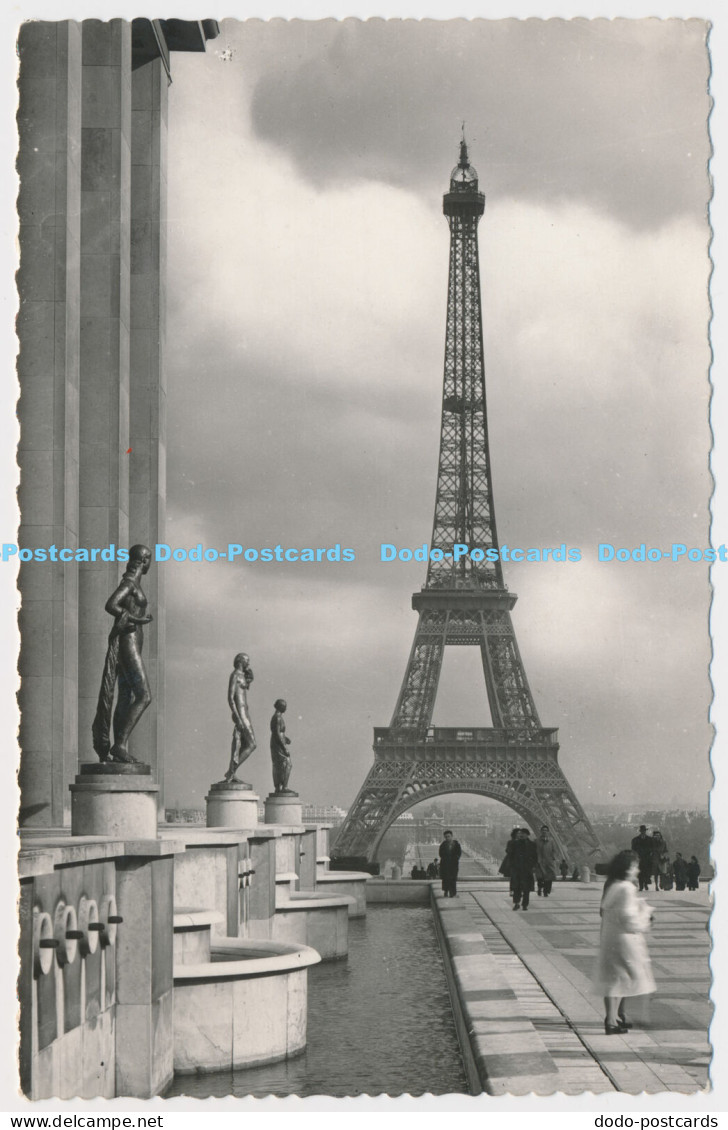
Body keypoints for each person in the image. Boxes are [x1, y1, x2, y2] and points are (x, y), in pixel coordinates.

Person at [92, 544, 153, 764]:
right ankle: (119, 745)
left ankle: (120, 748)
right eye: (149, 560)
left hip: (133, 642)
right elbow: (111, 605)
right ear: (144, 560)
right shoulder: (129, 583)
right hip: (128, 642)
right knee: (144, 695)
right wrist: (137, 620)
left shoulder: (134, 583)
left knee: (126, 696)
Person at [593, 849, 656, 1034]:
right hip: (624, 941)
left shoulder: (614, 885)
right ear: (628, 868)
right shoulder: (627, 888)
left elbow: (605, 910)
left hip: (611, 938)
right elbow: (629, 919)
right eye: (635, 866)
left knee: (616, 980)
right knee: (622, 980)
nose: (638, 870)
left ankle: (613, 1018)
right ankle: (612, 1020)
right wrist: (646, 916)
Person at [224, 653, 257, 784]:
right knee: (252, 744)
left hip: (245, 713)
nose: (248, 664)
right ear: (240, 661)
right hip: (241, 714)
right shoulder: (235, 675)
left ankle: (231, 772)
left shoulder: (242, 676)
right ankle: (230, 772)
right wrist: (237, 716)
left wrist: (249, 680)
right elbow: (230, 697)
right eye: (246, 661)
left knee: (244, 744)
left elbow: (243, 690)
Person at [510, 827, 537, 910]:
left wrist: (533, 866)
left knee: (526, 888)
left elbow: (535, 857)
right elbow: (510, 855)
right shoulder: (515, 843)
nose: (521, 835)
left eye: (523, 833)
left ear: (527, 835)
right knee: (517, 887)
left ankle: (525, 904)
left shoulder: (532, 844)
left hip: (527, 869)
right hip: (517, 869)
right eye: (520, 833)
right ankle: (517, 903)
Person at [270, 698, 293, 793]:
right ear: (281, 707)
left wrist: (285, 738)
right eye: (285, 706)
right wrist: (284, 748)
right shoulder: (278, 717)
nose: (286, 708)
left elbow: (279, 733)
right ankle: (284, 787)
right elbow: (276, 733)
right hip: (278, 744)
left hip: (277, 742)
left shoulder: (276, 717)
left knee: (279, 765)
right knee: (287, 763)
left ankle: (278, 787)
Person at [535, 825, 558, 897]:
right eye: (543, 830)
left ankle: (545, 891)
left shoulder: (551, 841)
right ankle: (540, 887)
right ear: (541, 831)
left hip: (549, 862)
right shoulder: (536, 841)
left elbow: (554, 850)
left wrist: (553, 858)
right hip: (539, 861)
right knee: (540, 877)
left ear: (548, 832)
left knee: (548, 878)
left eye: (546, 830)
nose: (544, 831)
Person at [630, 825, 654, 891]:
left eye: (644, 831)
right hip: (639, 858)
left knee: (646, 872)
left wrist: (650, 854)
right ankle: (641, 886)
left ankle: (645, 883)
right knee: (640, 872)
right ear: (640, 831)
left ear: (645, 831)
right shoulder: (635, 840)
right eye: (642, 831)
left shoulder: (650, 839)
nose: (643, 832)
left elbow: (652, 848)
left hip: (647, 858)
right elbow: (633, 849)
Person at [439, 830, 462, 897]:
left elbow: (459, 853)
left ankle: (452, 893)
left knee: (453, 878)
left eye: (448, 836)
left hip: (453, 865)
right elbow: (440, 854)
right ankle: (446, 891)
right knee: (445, 878)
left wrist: (455, 859)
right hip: (445, 864)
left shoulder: (457, 844)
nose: (447, 838)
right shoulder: (443, 845)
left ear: (452, 836)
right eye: (446, 837)